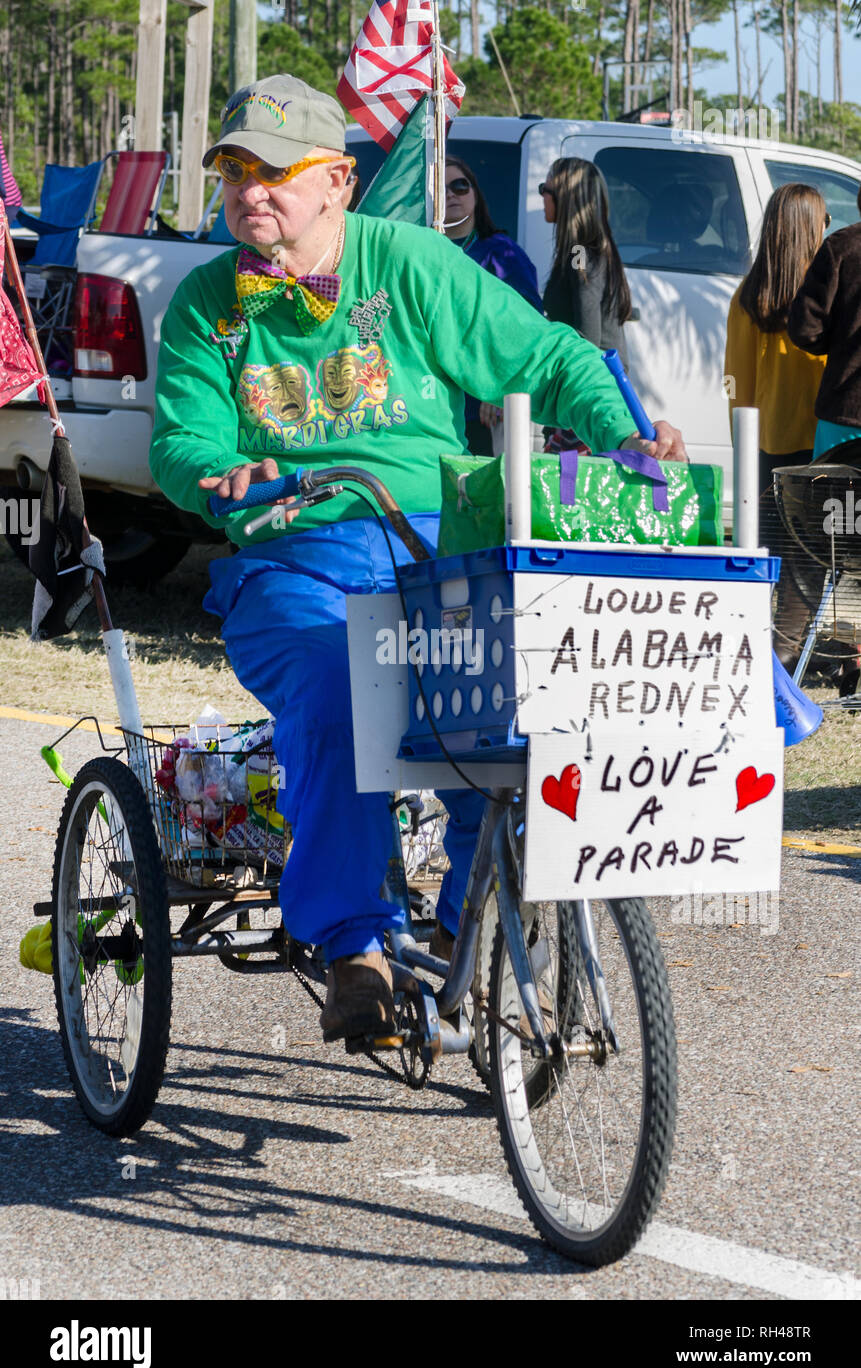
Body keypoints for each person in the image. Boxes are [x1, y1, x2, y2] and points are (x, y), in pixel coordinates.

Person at [150, 74, 687, 1046]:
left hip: (438, 548)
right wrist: (226, 477)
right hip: (293, 562)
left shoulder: (411, 263)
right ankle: (355, 943)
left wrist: (627, 435)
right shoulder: (205, 303)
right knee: (340, 693)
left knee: (519, 715)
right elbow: (180, 446)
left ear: (339, 182)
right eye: (232, 171)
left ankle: (473, 917)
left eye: (273, 172)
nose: (248, 191)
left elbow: (551, 358)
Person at [725, 183, 827, 667]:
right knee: (810, 561)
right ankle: (789, 657)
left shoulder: (748, 296)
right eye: (825, 221)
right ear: (811, 229)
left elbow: (734, 382)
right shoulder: (825, 295)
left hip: (765, 447)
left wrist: (741, 448)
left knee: (770, 553)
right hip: (820, 445)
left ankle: (764, 648)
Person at [442, 155, 543, 453]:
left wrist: (499, 391)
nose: (450, 194)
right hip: (437, 405)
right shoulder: (422, 252)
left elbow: (527, 327)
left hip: (484, 407)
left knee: (485, 493)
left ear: (475, 193)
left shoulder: (502, 254)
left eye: (460, 185)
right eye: (441, 188)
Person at [787, 186, 861, 459]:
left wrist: (843, 344)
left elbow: (805, 329)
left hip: (844, 413)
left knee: (835, 500)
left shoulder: (841, 246)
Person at [540, 156, 632, 369]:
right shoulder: (586, 251)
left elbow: (587, 340)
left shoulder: (582, 255)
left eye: (545, 189)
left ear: (565, 198)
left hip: (594, 387)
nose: (542, 196)